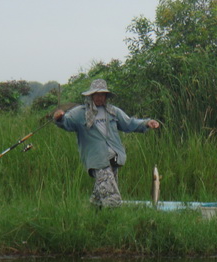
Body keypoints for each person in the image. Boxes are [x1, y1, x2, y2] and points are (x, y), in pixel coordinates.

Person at [53, 79, 159, 207]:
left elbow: (129, 123)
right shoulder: (80, 113)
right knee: (112, 198)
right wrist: (59, 118)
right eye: (96, 95)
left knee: (99, 199)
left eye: (102, 95)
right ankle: (116, 221)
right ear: (91, 96)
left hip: (114, 158)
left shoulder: (113, 111)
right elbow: (66, 123)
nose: (99, 98)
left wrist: (146, 123)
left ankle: (94, 217)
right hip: (97, 160)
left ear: (106, 96)